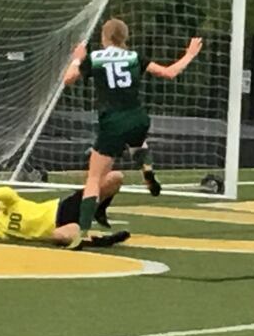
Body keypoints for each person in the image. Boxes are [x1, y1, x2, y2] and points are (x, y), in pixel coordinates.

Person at [63, 18, 203, 235]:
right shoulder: (135, 57)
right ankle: (146, 167)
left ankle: (81, 231)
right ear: (125, 37)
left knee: (93, 178)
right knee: (136, 140)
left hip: (112, 122)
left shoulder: (95, 57)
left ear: (104, 37)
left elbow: (68, 79)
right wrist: (190, 54)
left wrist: (76, 59)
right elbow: (169, 73)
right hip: (138, 118)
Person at [0, 171, 130, 249]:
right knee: (63, 236)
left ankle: (100, 208)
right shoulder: (3, 232)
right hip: (56, 228)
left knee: (115, 177)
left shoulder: (9, 205)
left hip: (61, 209)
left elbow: (4, 191)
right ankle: (104, 241)